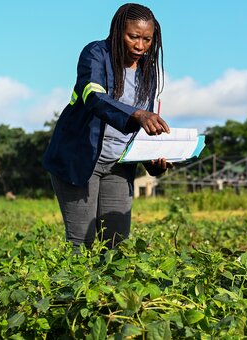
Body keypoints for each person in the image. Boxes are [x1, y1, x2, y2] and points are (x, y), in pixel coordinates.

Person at [43, 3, 171, 250]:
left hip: (119, 165)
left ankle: (108, 290)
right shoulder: (95, 54)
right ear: (117, 31)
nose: (140, 46)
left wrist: (152, 160)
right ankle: (72, 289)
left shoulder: (149, 71)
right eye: (133, 36)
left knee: (116, 245)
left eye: (147, 39)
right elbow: (93, 97)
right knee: (83, 243)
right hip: (81, 160)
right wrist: (137, 114)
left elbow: (142, 124)